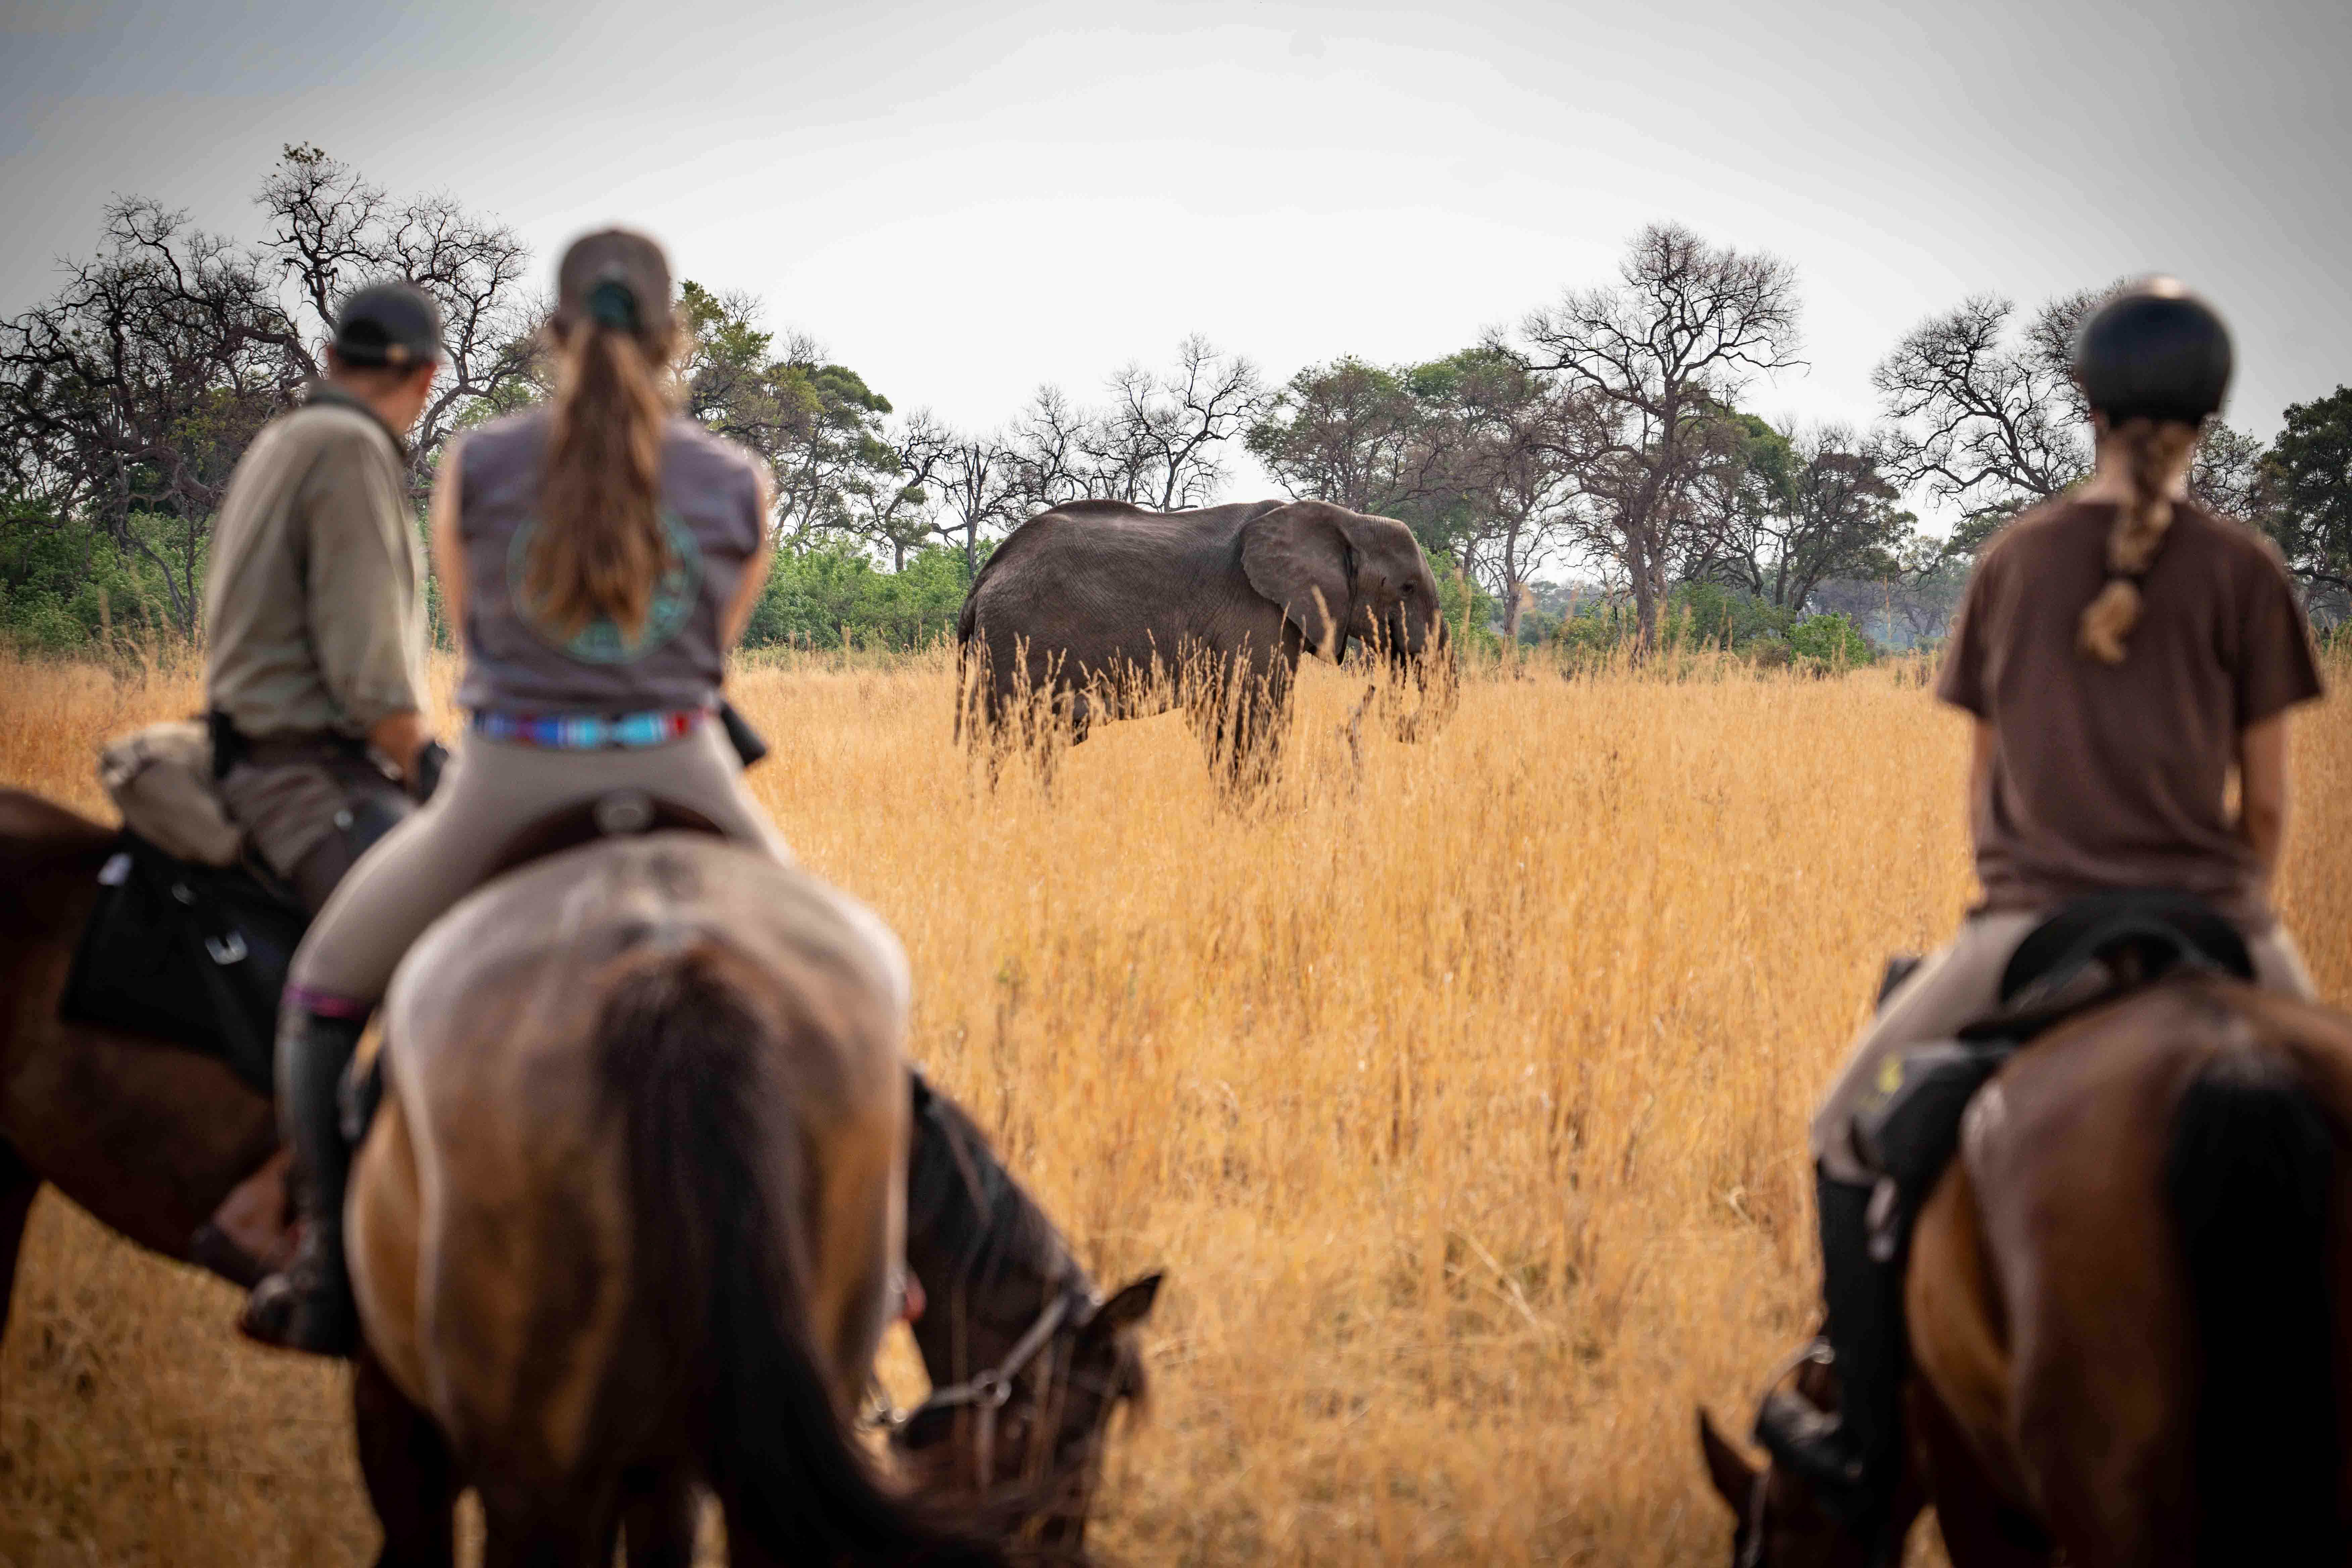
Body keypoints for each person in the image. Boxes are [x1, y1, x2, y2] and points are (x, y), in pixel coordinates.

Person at [242, 230, 1080, 1373]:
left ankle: (328, 1281)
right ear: (671, 336)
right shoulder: (737, 482)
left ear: (554, 335)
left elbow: (474, 632)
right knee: (860, 992)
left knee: (322, 995)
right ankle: (872, 1258)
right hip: (685, 769)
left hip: (508, 777)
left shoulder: (477, 466)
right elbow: (708, 663)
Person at [1752, 278, 2326, 1516]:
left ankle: (1862, 1443)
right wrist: (2231, 913)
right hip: (2225, 922)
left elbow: (1983, 791)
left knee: (1842, 1129)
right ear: (2212, 413)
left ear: (2085, 404)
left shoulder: (2014, 562)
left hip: (2032, 924)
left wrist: (2037, 876)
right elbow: (2271, 807)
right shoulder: (2246, 569)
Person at [204, 283, 450, 911]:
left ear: (332, 357)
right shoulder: (350, 447)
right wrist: (437, 771)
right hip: (310, 781)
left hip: (246, 758)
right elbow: (372, 689)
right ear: (428, 377)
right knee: (450, 924)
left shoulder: (283, 438)